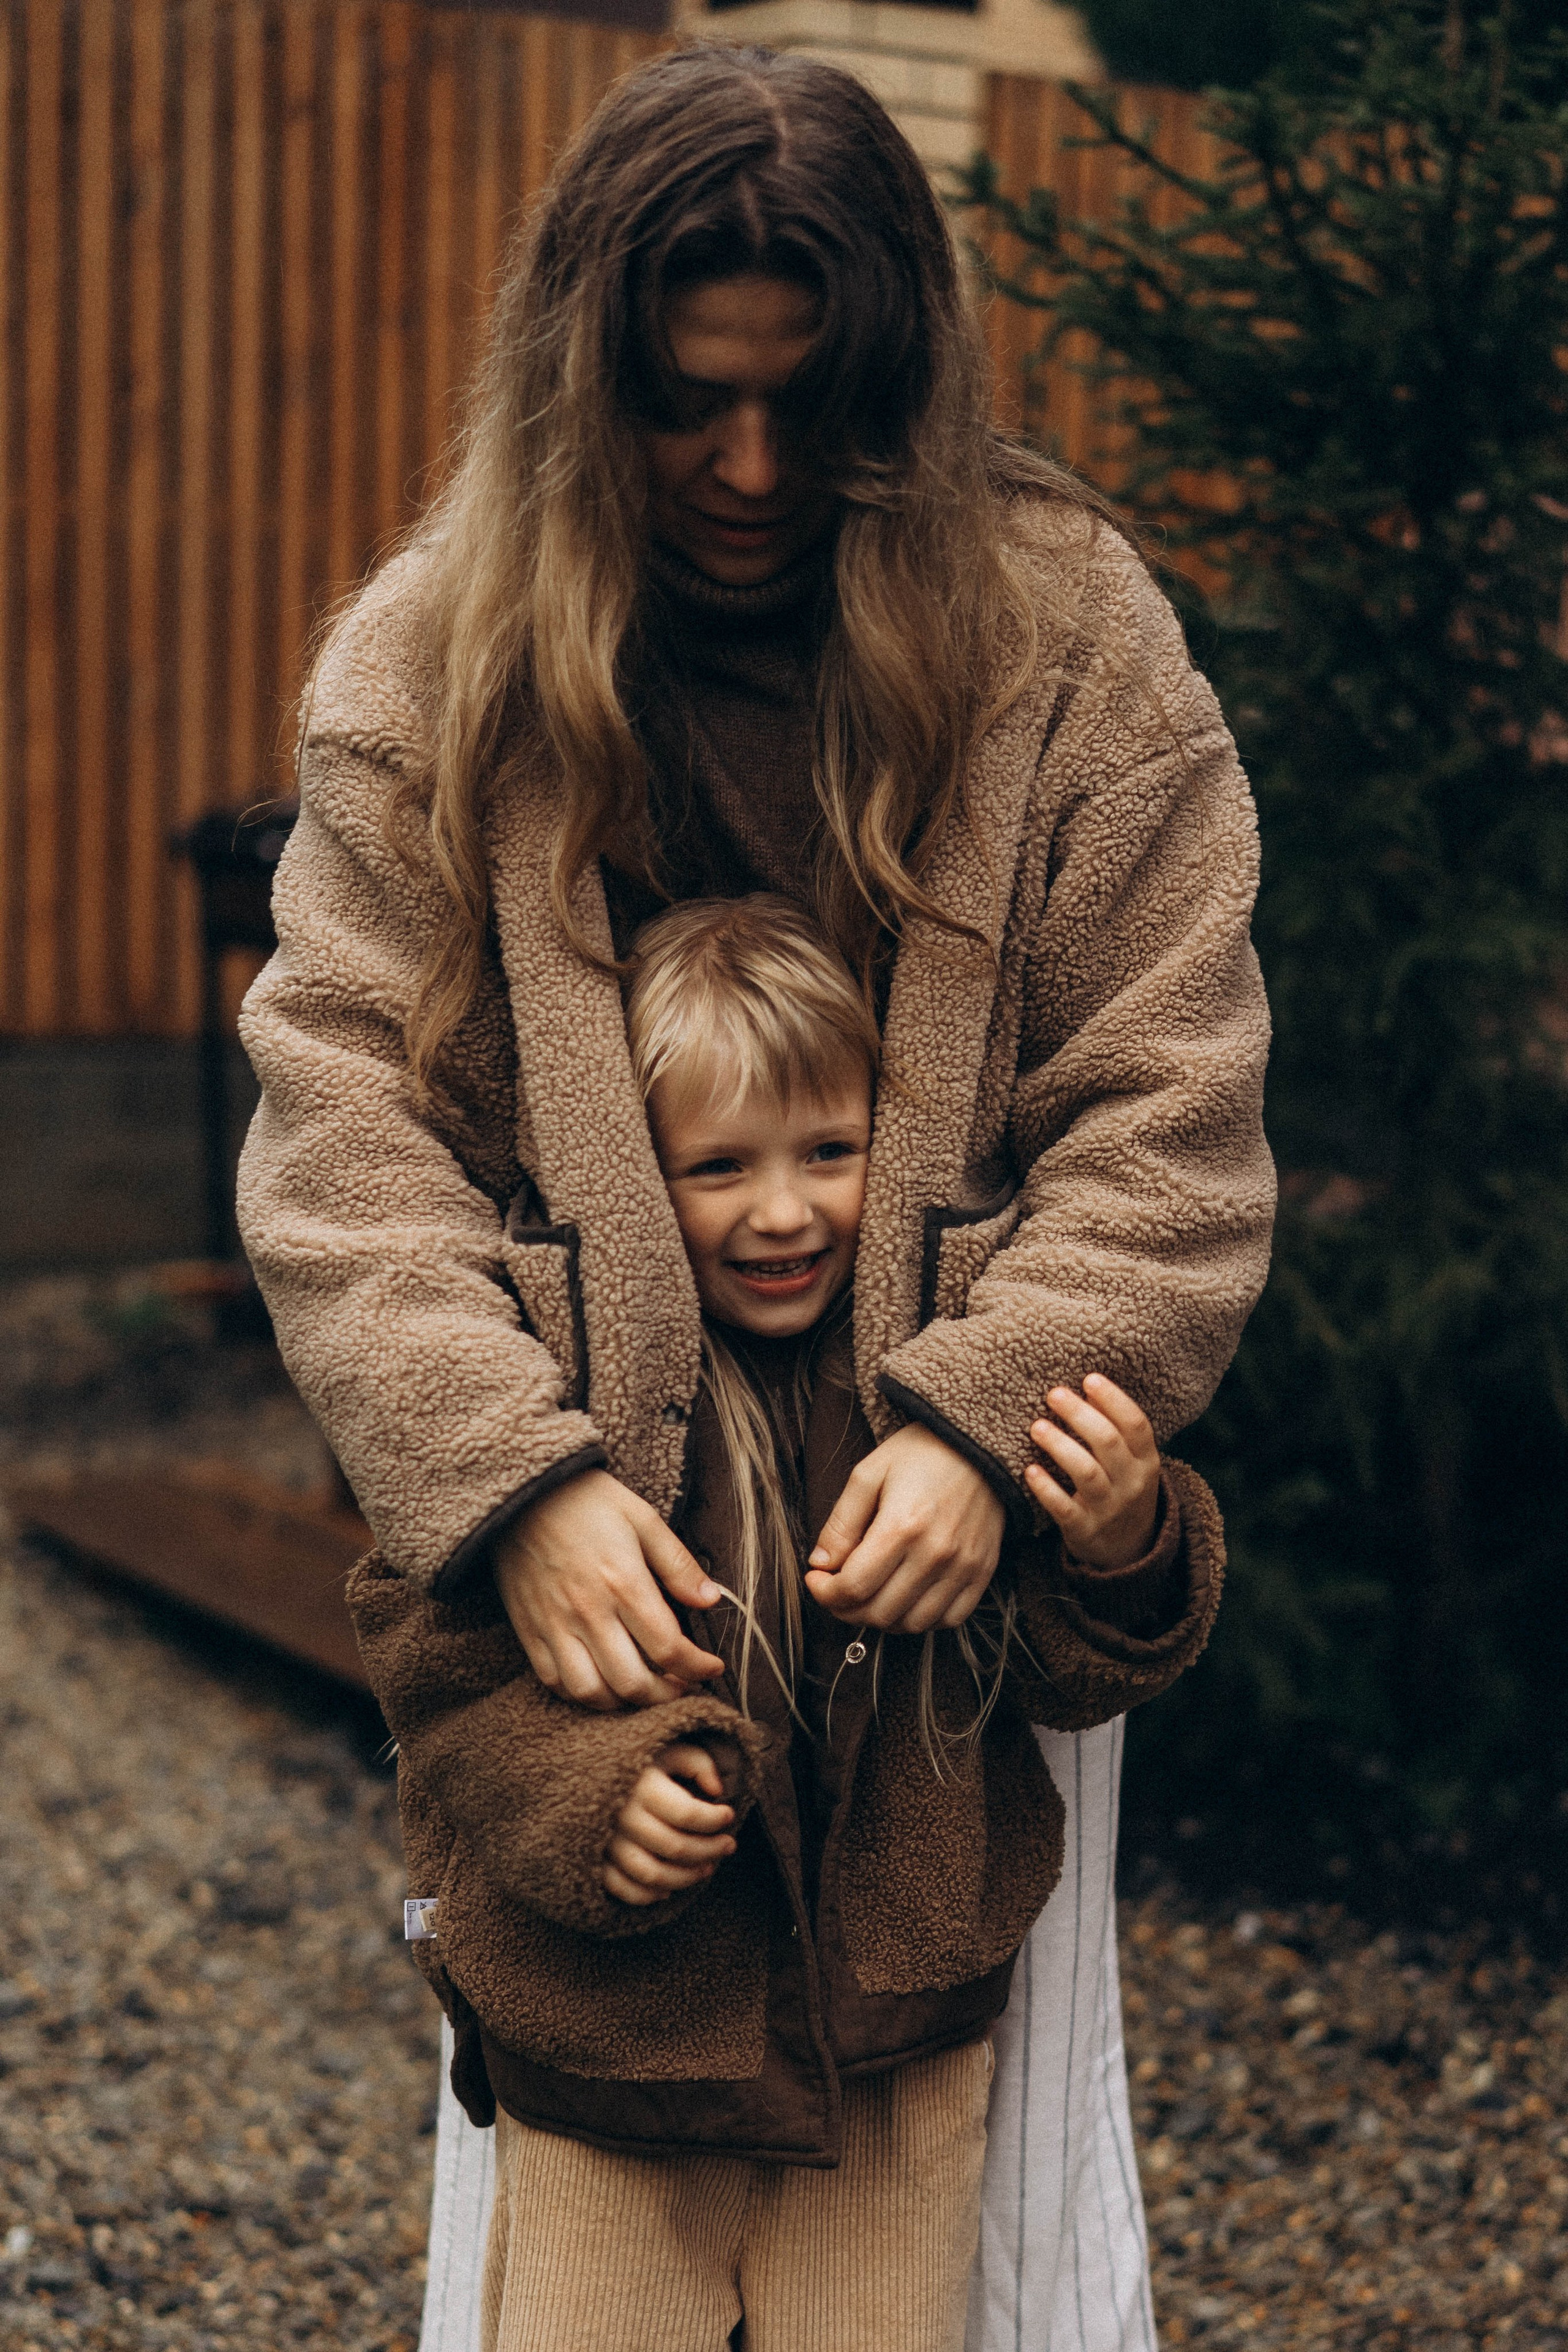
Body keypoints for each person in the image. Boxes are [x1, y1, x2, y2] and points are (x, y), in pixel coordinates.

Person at [234, 38, 1273, 2351]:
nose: (748, 469)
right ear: (586, 378)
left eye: (816, 407)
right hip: (586, 1650)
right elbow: (338, 1136)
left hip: (949, 1676)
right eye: (689, 404)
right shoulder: (435, 660)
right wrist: (515, 1485)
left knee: (955, 2249)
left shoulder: (1073, 639)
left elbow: (1174, 1107)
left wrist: (992, 1419)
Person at [348, 892, 1226, 2352]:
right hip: (617, 2060)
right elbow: (432, 1669)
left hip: (891, 2043)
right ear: (636, 1180)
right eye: (717, 1166)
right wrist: (592, 1802)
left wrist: (1122, 1537)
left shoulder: (928, 1387)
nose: (782, 1209)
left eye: (829, 1153)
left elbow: (1066, 1676)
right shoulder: (557, 1399)